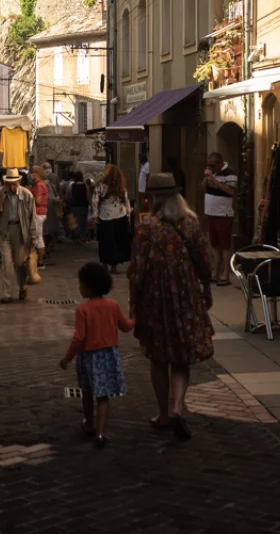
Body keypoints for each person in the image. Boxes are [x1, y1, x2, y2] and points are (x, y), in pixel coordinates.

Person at [128, 173, 214, 441]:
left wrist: (134, 301)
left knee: (158, 357)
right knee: (180, 356)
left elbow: (137, 269)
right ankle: (178, 406)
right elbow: (203, 260)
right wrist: (206, 287)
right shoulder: (190, 223)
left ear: (153, 198)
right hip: (186, 294)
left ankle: (164, 414)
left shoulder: (147, 228)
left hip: (154, 297)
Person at [60, 262, 134, 448]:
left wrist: (67, 358)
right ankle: (101, 433)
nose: (78, 286)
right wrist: (136, 318)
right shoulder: (113, 305)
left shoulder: (83, 310)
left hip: (88, 357)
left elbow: (78, 338)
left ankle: (89, 423)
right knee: (103, 396)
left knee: (87, 393)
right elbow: (126, 327)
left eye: (81, 283)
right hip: (108, 356)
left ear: (89, 287)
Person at [0, 167, 37, 304]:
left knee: (19, 263)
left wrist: (33, 236)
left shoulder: (27, 195)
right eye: (8, 183)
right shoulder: (0, 193)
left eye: (13, 183)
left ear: (19, 181)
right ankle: (7, 294)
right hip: (4, 230)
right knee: (7, 263)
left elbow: (32, 217)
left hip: (20, 231)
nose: (11, 186)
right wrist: (2, 200)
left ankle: (22, 287)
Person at [202, 151, 238, 286]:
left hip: (223, 213)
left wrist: (215, 181)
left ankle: (226, 274)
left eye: (212, 165)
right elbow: (203, 189)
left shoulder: (230, 172)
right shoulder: (212, 173)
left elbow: (231, 191)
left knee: (225, 245)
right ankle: (215, 272)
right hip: (210, 212)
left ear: (220, 162)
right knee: (214, 244)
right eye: (208, 165)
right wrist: (206, 178)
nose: (210, 167)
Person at [90, 164, 132, 274]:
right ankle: (114, 265)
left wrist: (95, 215)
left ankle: (104, 263)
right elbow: (126, 202)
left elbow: (95, 201)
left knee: (105, 242)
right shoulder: (121, 187)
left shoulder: (100, 186)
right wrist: (128, 216)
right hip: (120, 215)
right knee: (117, 241)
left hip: (105, 215)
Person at [30, 165, 49, 266]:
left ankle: (40, 261)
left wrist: (29, 195)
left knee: (38, 237)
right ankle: (40, 259)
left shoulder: (39, 185)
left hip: (38, 213)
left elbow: (38, 201)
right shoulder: (39, 184)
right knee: (38, 236)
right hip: (39, 213)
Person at [67, 171, 89, 240]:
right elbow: (88, 197)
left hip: (74, 206)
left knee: (75, 222)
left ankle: (75, 236)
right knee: (83, 221)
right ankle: (82, 236)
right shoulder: (86, 186)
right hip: (84, 206)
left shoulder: (72, 186)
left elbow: (69, 197)